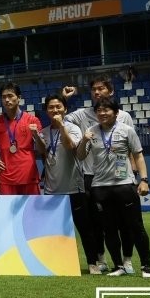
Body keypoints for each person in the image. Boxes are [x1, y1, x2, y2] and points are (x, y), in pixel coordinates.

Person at [63, 76, 136, 273]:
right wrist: (66, 99)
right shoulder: (81, 115)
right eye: (94, 89)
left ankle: (127, 260)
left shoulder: (124, 116)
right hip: (91, 177)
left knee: (124, 222)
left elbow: (131, 148)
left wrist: (134, 174)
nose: (97, 92)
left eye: (101, 88)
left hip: (120, 177)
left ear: (110, 91)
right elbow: (59, 120)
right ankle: (101, 259)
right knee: (96, 223)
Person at [76, 98, 150, 278]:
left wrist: (144, 180)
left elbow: (138, 156)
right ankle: (118, 265)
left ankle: (146, 266)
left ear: (116, 112)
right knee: (108, 229)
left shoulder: (127, 130)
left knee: (135, 226)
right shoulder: (91, 131)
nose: (102, 113)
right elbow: (80, 156)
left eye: (106, 110)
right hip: (100, 188)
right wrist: (83, 140)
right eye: (99, 110)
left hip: (124, 185)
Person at [38, 94, 101, 275]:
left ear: (65, 109)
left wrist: (62, 126)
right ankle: (54, 263)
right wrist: (36, 136)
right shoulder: (44, 131)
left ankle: (92, 262)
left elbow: (69, 146)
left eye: (58, 107)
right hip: (51, 190)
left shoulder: (73, 128)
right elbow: (42, 152)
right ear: (46, 111)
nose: (55, 110)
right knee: (52, 231)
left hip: (74, 188)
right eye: (51, 107)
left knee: (84, 227)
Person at [0, 82, 42, 195]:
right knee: (7, 212)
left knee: (32, 212)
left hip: (29, 176)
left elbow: (42, 149)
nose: (7, 100)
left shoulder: (32, 120)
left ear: (19, 98)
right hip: (6, 178)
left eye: (10, 96)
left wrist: (36, 135)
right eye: (4, 97)